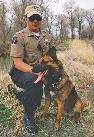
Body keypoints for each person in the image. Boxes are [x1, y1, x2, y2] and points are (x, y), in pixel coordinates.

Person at [8, 5, 54, 134]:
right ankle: (28, 115)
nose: (35, 21)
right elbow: (18, 63)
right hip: (21, 72)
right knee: (34, 82)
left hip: (40, 73)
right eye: (32, 17)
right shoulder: (19, 37)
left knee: (36, 102)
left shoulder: (48, 37)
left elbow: (52, 59)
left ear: (41, 19)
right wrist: (39, 74)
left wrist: (49, 74)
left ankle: (17, 93)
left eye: (37, 17)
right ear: (26, 19)